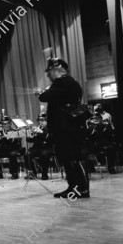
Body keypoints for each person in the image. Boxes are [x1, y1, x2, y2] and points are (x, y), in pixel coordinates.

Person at [36, 57, 90, 198]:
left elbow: (43, 97)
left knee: (70, 157)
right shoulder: (72, 82)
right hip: (70, 127)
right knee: (71, 158)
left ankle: (80, 188)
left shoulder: (62, 82)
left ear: (57, 70)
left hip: (65, 128)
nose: (48, 75)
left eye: (49, 72)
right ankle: (76, 187)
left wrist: (43, 91)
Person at [88, 104, 117, 174]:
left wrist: (107, 128)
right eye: (95, 119)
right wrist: (92, 129)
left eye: (98, 119)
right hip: (94, 144)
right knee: (84, 151)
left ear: (101, 120)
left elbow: (110, 133)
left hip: (104, 143)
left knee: (111, 148)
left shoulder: (105, 125)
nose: (96, 121)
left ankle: (111, 167)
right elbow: (90, 137)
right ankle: (91, 168)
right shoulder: (91, 127)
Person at [23, 113, 53, 180]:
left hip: (47, 148)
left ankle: (44, 173)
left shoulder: (51, 128)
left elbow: (51, 139)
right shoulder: (37, 128)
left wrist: (42, 133)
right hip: (37, 148)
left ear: (47, 121)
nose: (40, 122)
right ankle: (33, 172)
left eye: (42, 121)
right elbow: (30, 140)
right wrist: (29, 135)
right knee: (26, 155)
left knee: (44, 155)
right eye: (39, 121)